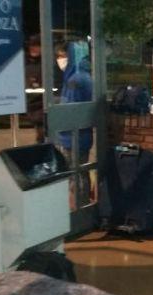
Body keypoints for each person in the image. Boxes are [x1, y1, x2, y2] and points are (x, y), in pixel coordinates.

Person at [58, 42, 94, 207]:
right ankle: (83, 203)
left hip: (72, 135)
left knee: (76, 173)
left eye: (63, 55)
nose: (60, 59)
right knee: (81, 172)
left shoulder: (75, 79)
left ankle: (79, 206)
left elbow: (69, 108)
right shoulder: (84, 75)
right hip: (82, 135)